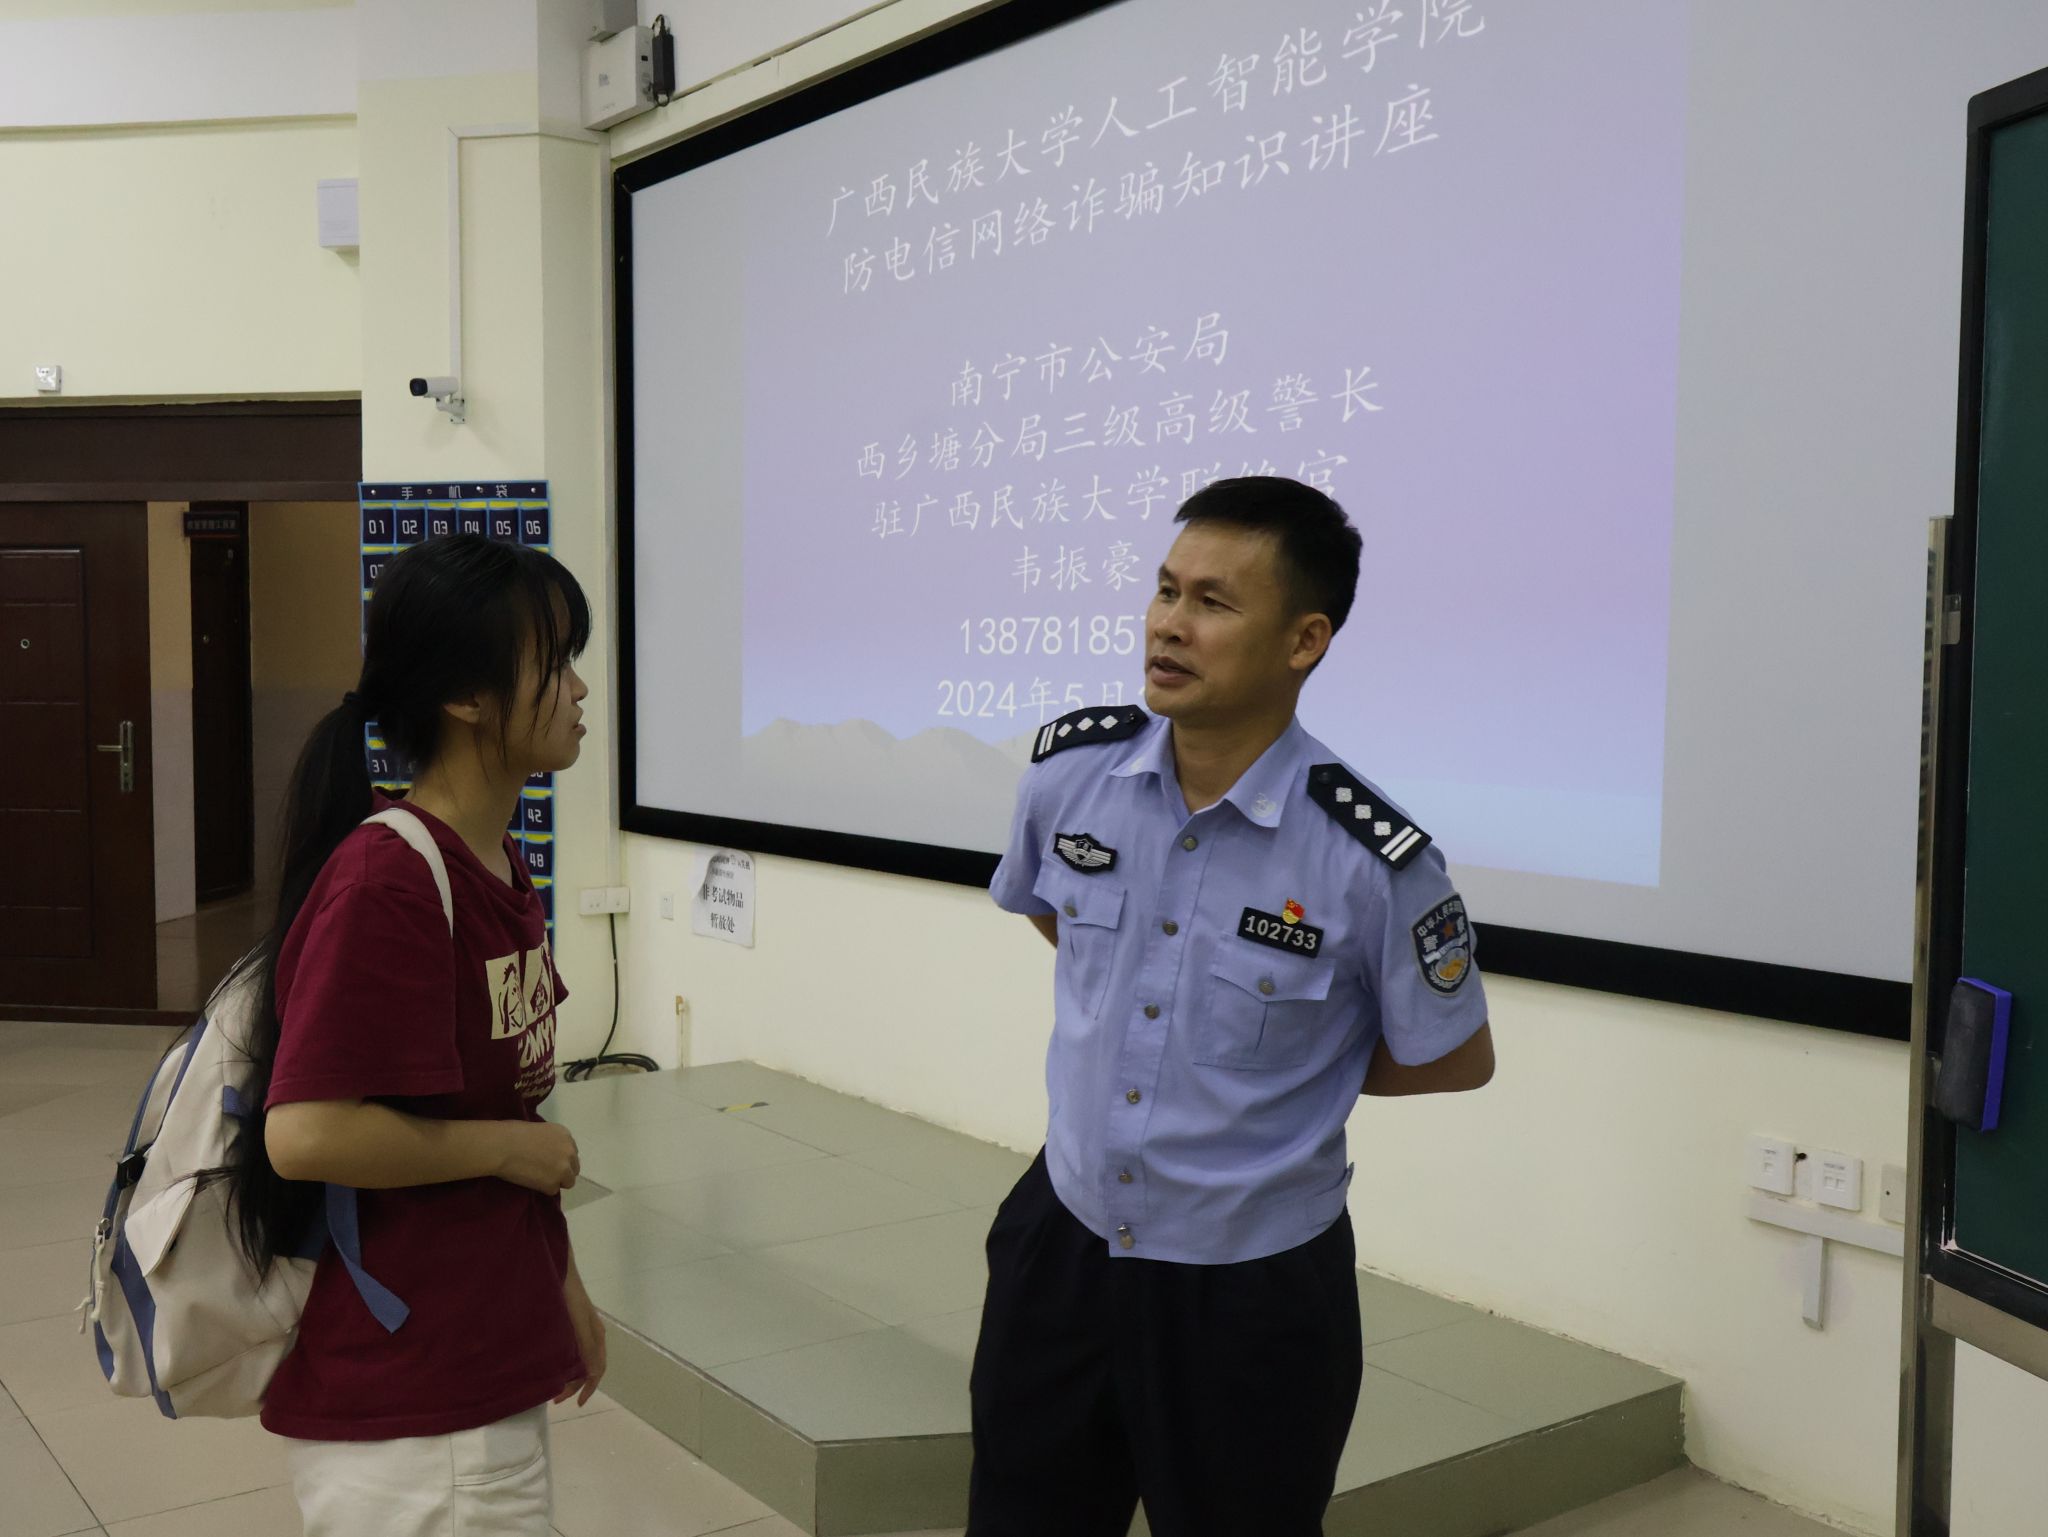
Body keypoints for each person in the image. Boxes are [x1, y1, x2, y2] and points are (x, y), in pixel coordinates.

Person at [969, 476, 1497, 1537]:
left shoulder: (1370, 860)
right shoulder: (1070, 778)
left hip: (1250, 1286)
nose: (1169, 624)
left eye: (1212, 602)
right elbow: (1057, 920)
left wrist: (1295, 1076)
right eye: (1166, 590)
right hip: (1064, 1241)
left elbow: (1451, 1053)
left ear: (1305, 640)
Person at [214, 534, 603, 1536]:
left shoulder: (495, 862)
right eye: (554, 662)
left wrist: (561, 1285)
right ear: (467, 696)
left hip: (477, 1354)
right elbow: (306, 1131)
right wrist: (510, 1149)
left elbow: (495, 1100)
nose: (578, 689)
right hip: (418, 1406)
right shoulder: (389, 881)